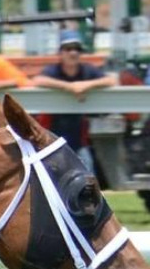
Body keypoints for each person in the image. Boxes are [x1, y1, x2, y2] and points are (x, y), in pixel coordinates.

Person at [32, 31, 116, 173]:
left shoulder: (87, 70)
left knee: (88, 176)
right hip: (51, 138)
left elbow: (111, 80)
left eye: (77, 49)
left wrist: (85, 85)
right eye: (68, 49)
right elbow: (38, 80)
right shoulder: (53, 70)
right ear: (60, 53)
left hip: (79, 138)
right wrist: (70, 87)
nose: (73, 53)